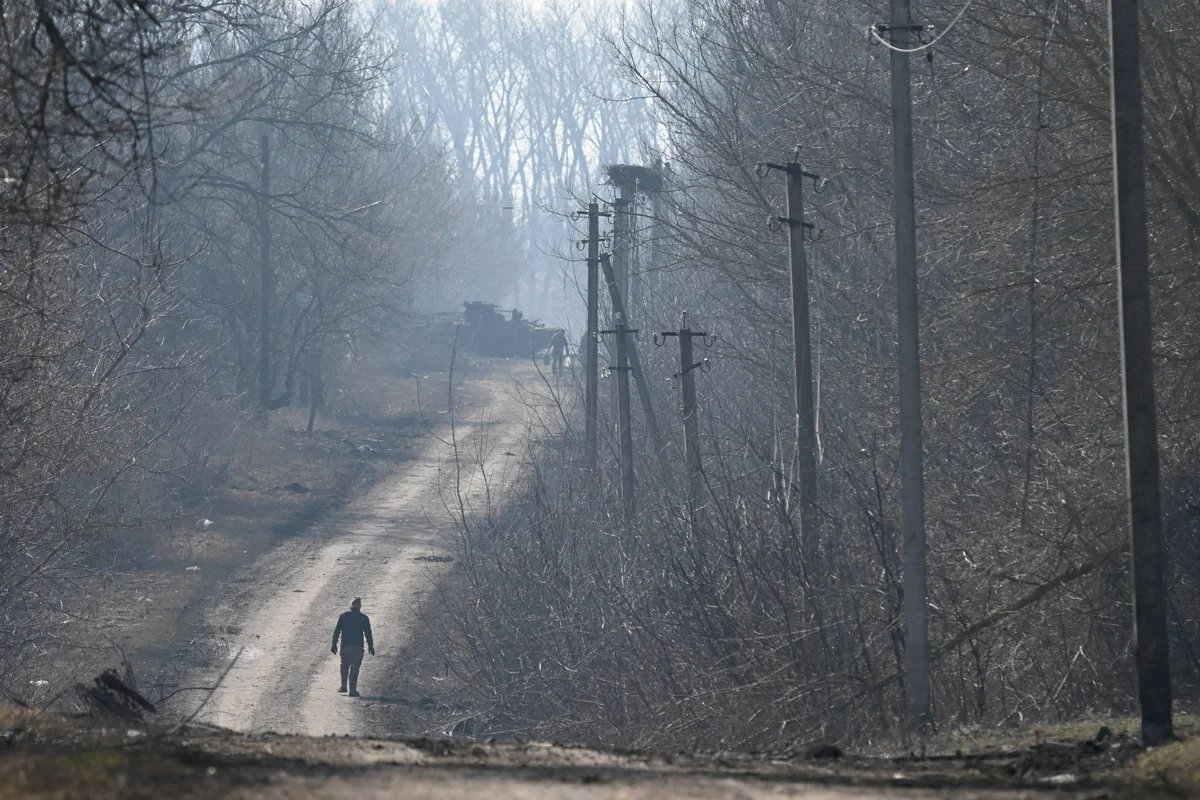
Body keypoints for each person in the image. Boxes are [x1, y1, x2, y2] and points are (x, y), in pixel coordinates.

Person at [331, 597, 374, 696]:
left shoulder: (343, 616)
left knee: (344, 666)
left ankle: (343, 687)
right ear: (360, 606)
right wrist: (370, 646)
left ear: (351, 605)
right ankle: (352, 690)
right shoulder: (364, 618)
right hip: (357, 647)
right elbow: (368, 633)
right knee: (354, 669)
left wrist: (334, 644)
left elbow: (337, 631)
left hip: (345, 646)